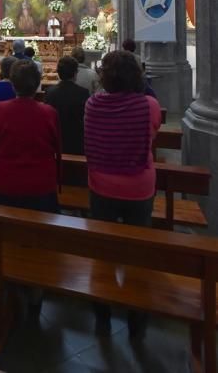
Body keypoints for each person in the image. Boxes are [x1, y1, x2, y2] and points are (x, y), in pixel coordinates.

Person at [84, 50, 162, 336]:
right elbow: (152, 134)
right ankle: (137, 314)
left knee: (102, 248)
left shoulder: (92, 104)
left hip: (101, 184)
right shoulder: (149, 105)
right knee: (137, 249)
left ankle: (102, 311)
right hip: (138, 185)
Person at [0, 60, 60, 212]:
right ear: (37, 83)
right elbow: (57, 148)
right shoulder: (49, 112)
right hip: (41, 183)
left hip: (6, 182)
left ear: (13, 83)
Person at [45, 56, 89, 155]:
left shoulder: (49, 92)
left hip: (54, 140)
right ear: (75, 73)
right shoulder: (83, 93)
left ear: (59, 73)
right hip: (75, 141)